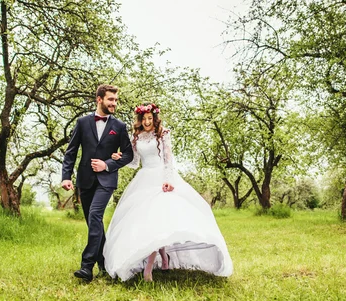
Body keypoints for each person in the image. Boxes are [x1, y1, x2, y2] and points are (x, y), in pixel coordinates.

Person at [103, 103, 233, 282]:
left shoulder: (163, 133)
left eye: (150, 118)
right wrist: (120, 158)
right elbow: (134, 162)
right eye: (144, 118)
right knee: (149, 220)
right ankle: (164, 258)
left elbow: (168, 159)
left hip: (161, 178)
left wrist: (168, 180)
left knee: (159, 218)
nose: (147, 122)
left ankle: (148, 268)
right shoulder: (137, 136)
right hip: (143, 178)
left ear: (155, 118)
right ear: (140, 120)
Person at [61, 84, 134, 283]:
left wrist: (108, 164)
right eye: (111, 99)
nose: (114, 103)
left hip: (107, 180)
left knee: (95, 215)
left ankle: (87, 266)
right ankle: (104, 264)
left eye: (116, 100)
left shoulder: (119, 126)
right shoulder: (83, 122)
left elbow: (128, 154)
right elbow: (71, 151)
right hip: (85, 179)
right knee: (94, 223)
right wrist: (66, 177)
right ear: (99, 99)